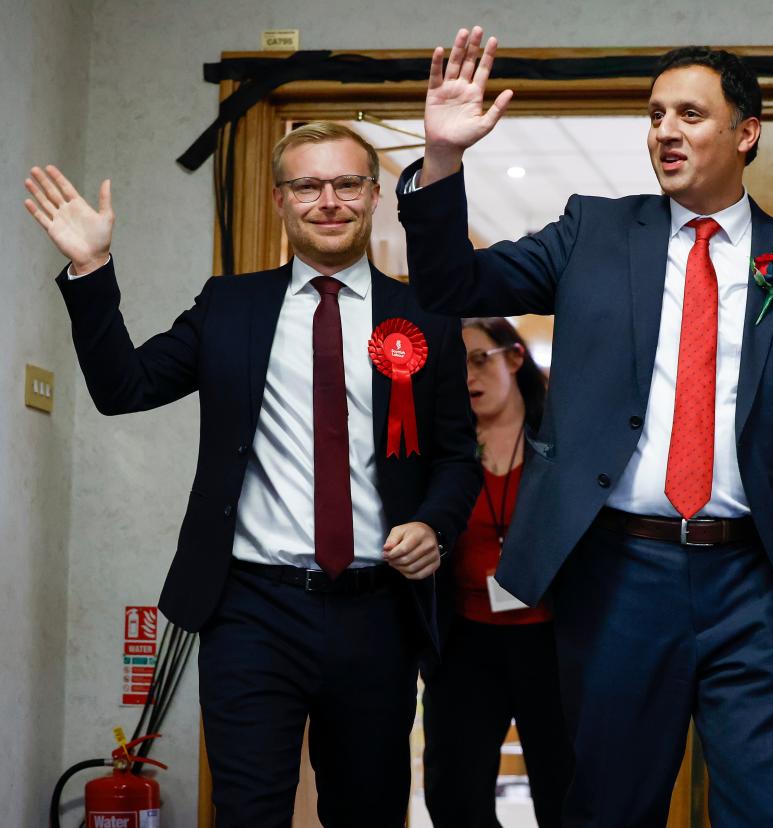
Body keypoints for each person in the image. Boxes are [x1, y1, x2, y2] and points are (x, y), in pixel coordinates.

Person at [398, 28, 773, 827]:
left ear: (746, 132)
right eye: (655, 113)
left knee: (759, 812)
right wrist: (444, 158)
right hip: (622, 575)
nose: (665, 129)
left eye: (690, 114)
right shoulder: (591, 233)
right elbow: (453, 281)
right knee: (612, 809)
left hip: (757, 584)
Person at [23, 121, 481, 828]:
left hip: (378, 613)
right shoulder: (229, 305)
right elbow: (126, 387)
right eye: (307, 185)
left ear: (373, 194)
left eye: (346, 183)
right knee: (247, 811)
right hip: (252, 611)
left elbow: (458, 455)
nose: (328, 201)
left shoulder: (425, 315)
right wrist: (91, 270)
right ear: (279, 200)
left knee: (369, 811)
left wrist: (434, 523)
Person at [422, 317, 572, 827]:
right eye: (456, 364)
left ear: (513, 358)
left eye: (479, 359)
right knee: (455, 792)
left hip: (553, 641)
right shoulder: (440, 446)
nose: (468, 375)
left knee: (565, 787)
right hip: (464, 641)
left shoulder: (561, 440)